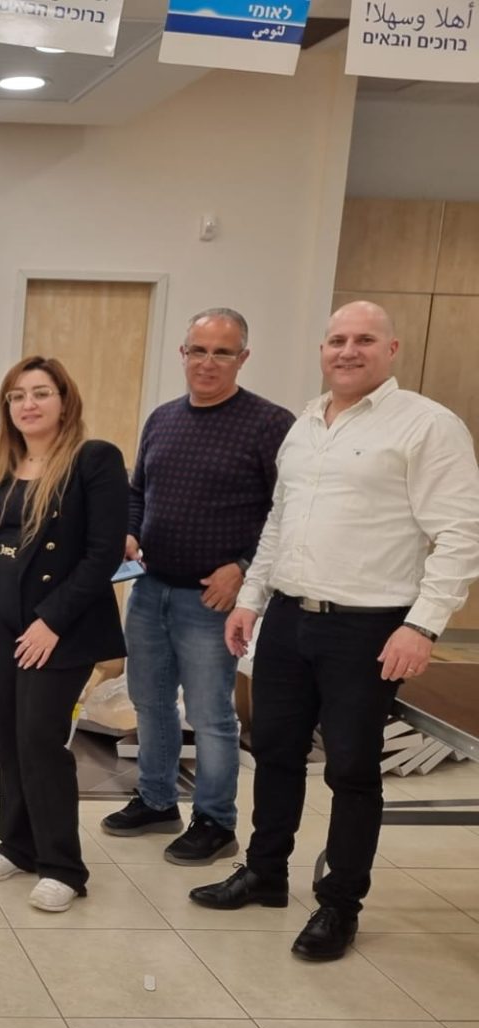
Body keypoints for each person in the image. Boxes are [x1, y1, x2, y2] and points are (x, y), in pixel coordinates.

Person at [190, 301, 479, 961]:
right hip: (290, 618)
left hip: (369, 627)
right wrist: (252, 599)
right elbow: (279, 522)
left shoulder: (428, 425)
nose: (348, 351)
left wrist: (423, 625)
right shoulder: (306, 425)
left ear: (392, 349)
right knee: (276, 753)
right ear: (322, 349)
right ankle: (265, 872)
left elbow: (461, 534)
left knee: (351, 770)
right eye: (337, 339)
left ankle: (340, 904)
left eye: (364, 340)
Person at [102, 309, 295, 864]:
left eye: (222, 352)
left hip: (213, 599)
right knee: (150, 701)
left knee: (210, 715)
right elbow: (138, 491)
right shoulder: (162, 419)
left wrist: (243, 566)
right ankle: (157, 800)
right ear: (182, 354)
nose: (207, 362)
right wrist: (130, 531)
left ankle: (215, 820)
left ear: (243, 358)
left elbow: (287, 511)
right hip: (150, 589)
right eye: (198, 350)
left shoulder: (269, 424)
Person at [0, 358, 128, 912]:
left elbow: (102, 554)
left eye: (41, 393)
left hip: (61, 630)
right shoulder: (3, 465)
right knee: (9, 737)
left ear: (64, 400)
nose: (28, 404)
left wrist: (52, 620)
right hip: (3, 627)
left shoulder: (93, 459)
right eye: (17, 396)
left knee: (40, 739)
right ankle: (17, 843)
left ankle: (63, 866)